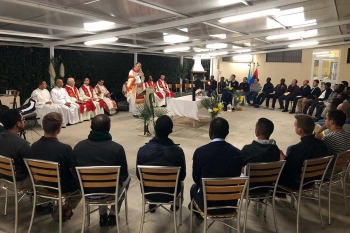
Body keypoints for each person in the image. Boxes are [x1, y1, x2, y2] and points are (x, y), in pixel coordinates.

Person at [72, 114, 130, 227]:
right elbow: (123, 176)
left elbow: (74, 173)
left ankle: (103, 216)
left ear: (91, 126)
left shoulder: (78, 147)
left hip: (87, 192)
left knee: (97, 181)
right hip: (110, 193)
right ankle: (113, 214)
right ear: (109, 128)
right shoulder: (117, 148)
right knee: (127, 178)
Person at [29, 112, 81, 222]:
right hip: (62, 187)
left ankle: (45, 203)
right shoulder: (65, 149)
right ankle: (66, 207)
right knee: (80, 186)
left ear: (43, 127)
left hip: (42, 185)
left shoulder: (33, 146)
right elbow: (73, 171)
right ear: (59, 129)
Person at [190, 117, 243, 217]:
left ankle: (198, 216)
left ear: (210, 132)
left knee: (194, 187)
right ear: (227, 133)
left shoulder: (200, 152)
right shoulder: (238, 153)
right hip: (230, 204)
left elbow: (196, 179)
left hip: (207, 204)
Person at [136, 115, 186, 213]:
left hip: (148, 192)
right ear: (171, 131)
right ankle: (174, 205)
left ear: (155, 129)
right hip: (171, 193)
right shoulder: (178, 152)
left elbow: (139, 176)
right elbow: (182, 176)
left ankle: (152, 203)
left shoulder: (142, 151)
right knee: (181, 182)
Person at [279, 115, 328, 189]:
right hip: (314, 179)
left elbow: (288, 170)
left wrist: (283, 160)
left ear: (300, 130)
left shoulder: (296, 149)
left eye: (295, 126)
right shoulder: (322, 144)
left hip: (298, 183)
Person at [0, 110, 31, 188]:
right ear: (18, 123)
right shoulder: (22, 144)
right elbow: (31, 167)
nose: (24, 122)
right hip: (19, 181)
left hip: (3, 177)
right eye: (23, 120)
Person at [316, 110, 350, 177]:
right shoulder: (348, 134)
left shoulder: (329, 138)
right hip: (342, 170)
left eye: (326, 119)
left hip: (328, 173)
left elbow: (316, 136)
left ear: (332, 122)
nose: (325, 121)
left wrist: (324, 127)